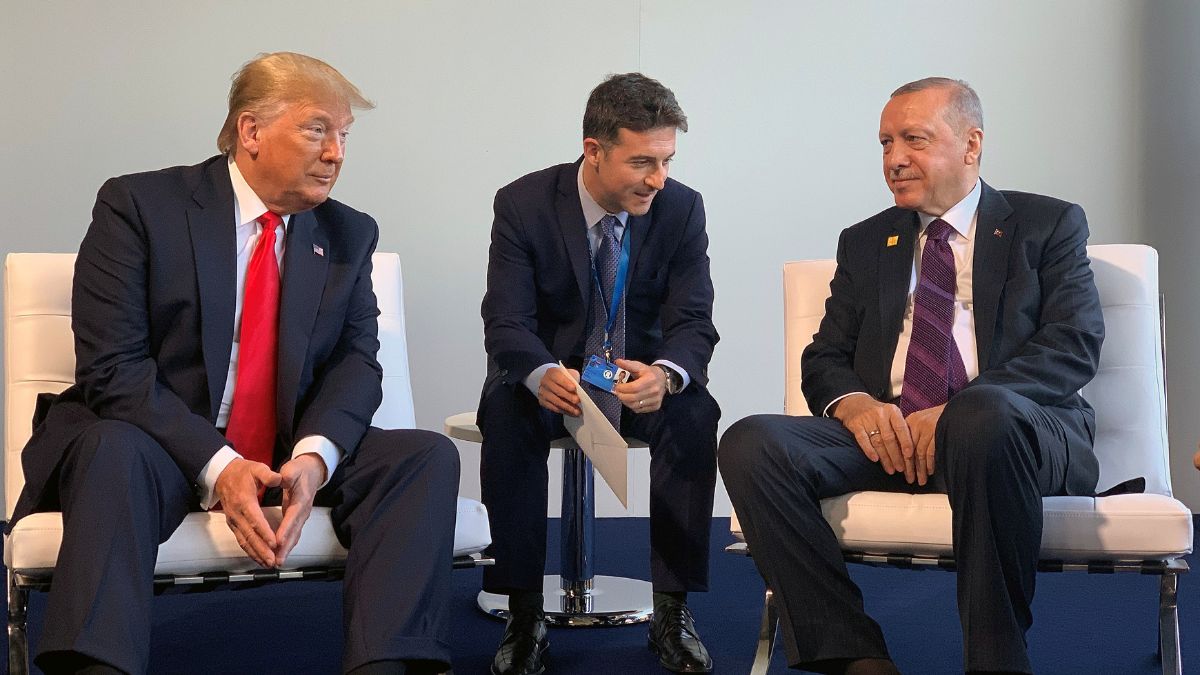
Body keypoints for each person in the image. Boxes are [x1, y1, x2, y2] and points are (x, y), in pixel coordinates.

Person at [8, 52, 459, 675]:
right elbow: (114, 369)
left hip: (281, 443)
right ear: (250, 131)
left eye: (344, 135)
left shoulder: (349, 233)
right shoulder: (139, 206)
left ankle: (386, 665)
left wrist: (312, 458)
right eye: (317, 130)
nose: (337, 154)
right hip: (159, 444)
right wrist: (219, 466)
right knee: (111, 447)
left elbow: (359, 364)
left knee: (423, 456)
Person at [718, 77, 1104, 675]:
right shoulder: (869, 240)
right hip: (895, 436)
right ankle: (854, 655)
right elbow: (824, 358)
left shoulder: (1047, 224)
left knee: (982, 416)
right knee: (752, 443)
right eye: (884, 144)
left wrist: (955, 410)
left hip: (1015, 435)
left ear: (971, 144)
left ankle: (996, 661)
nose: (894, 160)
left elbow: (1072, 346)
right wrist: (856, 406)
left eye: (913, 140)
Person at [478, 72, 720, 675]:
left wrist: (666, 374)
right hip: (551, 372)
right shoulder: (523, 204)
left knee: (695, 412)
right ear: (594, 150)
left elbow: (694, 321)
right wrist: (536, 371)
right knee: (506, 410)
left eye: (666, 160)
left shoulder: (681, 208)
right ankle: (525, 613)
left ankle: (672, 611)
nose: (658, 180)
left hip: (636, 376)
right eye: (642, 162)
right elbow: (505, 319)